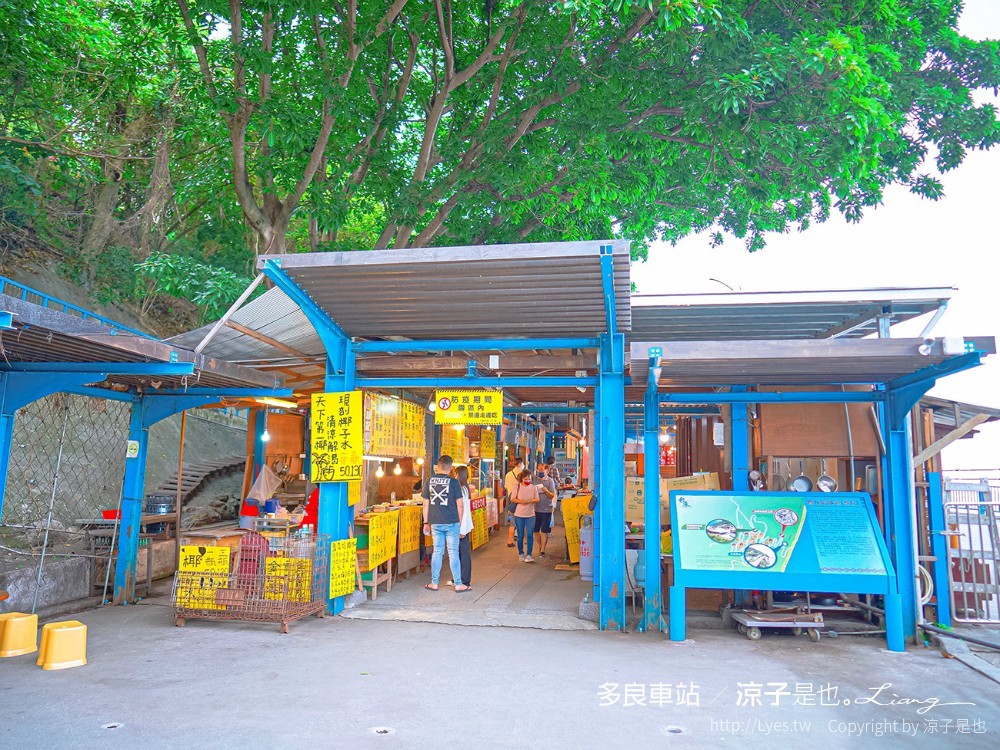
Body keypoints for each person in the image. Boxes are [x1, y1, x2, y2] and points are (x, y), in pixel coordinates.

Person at [421, 455, 469, 592]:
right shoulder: (454, 482)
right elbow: (460, 505)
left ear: (438, 466)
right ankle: (458, 584)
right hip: (452, 521)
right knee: (453, 552)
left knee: (437, 551)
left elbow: (425, 504)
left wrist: (426, 522)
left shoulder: (429, 481)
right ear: (451, 468)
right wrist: (460, 522)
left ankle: (434, 583)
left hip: (435, 522)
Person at [447, 465, 474, 589]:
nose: (454, 475)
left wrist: (461, 529)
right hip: (463, 526)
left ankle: (465, 581)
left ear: (458, 475)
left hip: (461, 526)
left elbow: (463, 510)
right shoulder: (464, 488)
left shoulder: (461, 490)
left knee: (462, 554)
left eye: (456, 473)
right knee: (459, 554)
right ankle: (458, 578)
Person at [510, 468, 540, 562]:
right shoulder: (517, 486)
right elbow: (513, 498)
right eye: (526, 478)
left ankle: (529, 555)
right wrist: (522, 501)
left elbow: (537, 499)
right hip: (519, 514)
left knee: (530, 534)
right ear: (522, 479)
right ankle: (521, 553)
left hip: (531, 515)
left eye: (529, 478)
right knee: (520, 535)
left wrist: (531, 501)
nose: (528, 480)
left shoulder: (534, 487)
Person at [533, 464, 558, 558]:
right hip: (535, 509)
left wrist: (545, 490)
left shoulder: (550, 481)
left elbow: (552, 495)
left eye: (542, 470)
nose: (540, 471)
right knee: (535, 531)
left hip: (546, 509)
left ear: (547, 471)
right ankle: (541, 546)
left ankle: (543, 550)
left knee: (544, 531)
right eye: (539, 470)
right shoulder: (535, 480)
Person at [504, 457, 525, 547]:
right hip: (520, 497)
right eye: (523, 464)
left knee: (513, 518)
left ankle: (510, 540)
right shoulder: (523, 474)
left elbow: (506, 487)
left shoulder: (508, 474)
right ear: (520, 464)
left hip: (511, 497)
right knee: (523, 517)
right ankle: (523, 538)